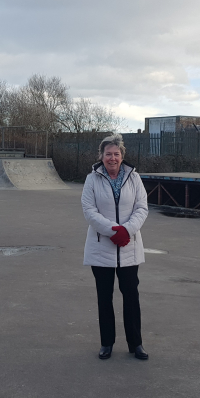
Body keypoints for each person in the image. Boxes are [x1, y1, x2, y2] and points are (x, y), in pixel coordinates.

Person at [81, 134, 150, 360]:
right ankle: (106, 343)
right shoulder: (92, 179)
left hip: (129, 247)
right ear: (101, 156)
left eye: (116, 154)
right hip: (102, 247)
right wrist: (113, 230)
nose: (112, 158)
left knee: (131, 295)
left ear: (122, 156)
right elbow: (89, 211)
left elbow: (142, 208)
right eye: (108, 154)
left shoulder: (134, 178)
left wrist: (126, 231)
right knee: (104, 296)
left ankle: (136, 344)